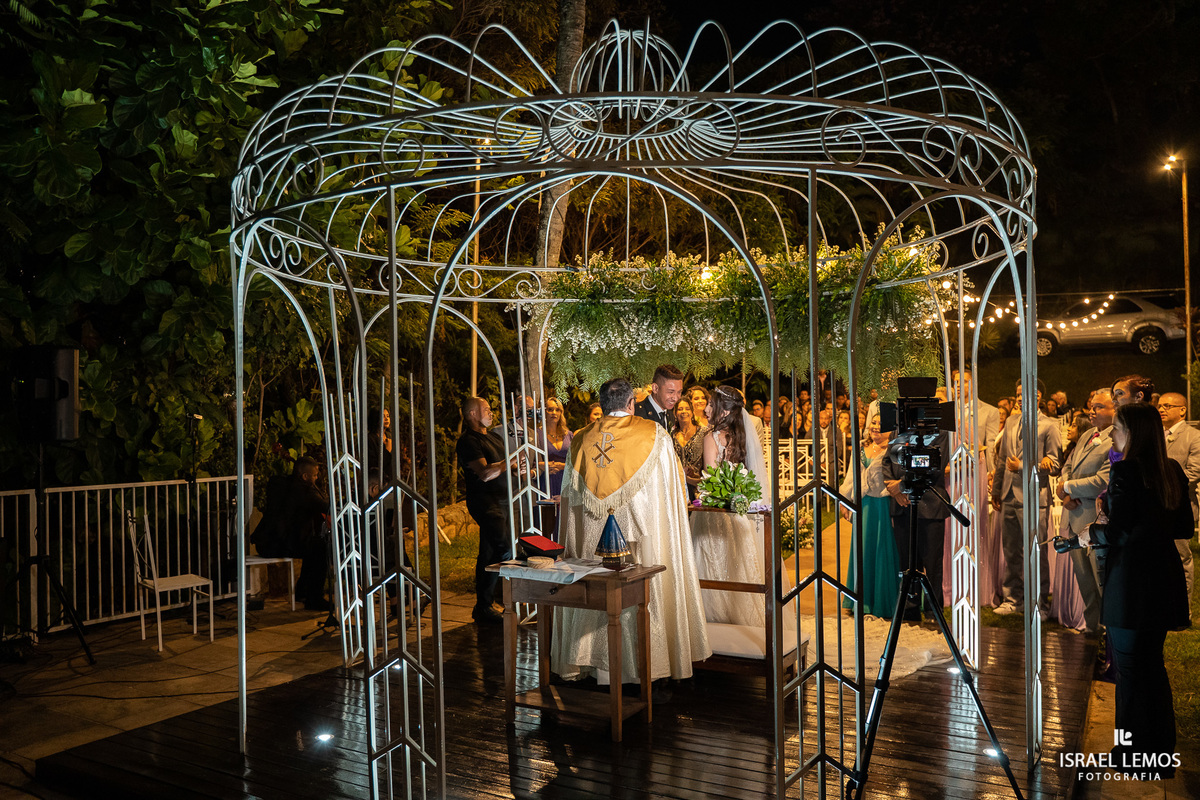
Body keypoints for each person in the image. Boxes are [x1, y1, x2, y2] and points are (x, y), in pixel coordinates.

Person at [553, 378, 711, 684]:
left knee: (596, 584)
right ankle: (648, 665)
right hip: (642, 537)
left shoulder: (582, 439)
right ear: (630, 404)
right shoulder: (654, 435)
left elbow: (571, 503)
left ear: (603, 404)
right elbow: (671, 492)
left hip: (592, 546)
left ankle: (590, 662)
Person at [1085, 402, 1192, 773]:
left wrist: (1092, 531)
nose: (1113, 435)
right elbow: (1184, 528)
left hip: (1131, 582)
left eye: (1117, 428)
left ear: (1133, 433)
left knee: (1130, 674)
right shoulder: (1171, 470)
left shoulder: (1126, 469)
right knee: (1152, 669)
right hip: (1163, 577)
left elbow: (1117, 533)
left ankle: (1129, 755)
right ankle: (1160, 754)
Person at [687, 385, 773, 627]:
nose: (705, 408)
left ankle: (711, 622)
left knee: (711, 566)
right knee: (740, 566)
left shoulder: (711, 438)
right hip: (739, 515)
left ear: (723, 411)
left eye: (711, 404)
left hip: (714, 514)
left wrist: (690, 478)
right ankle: (744, 620)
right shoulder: (742, 437)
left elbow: (711, 479)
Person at [990, 381, 1061, 618]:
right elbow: (1002, 460)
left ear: (1038, 396)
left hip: (1035, 497)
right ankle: (1013, 599)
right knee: (1010, 551)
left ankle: (1039, 602)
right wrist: (996, 491)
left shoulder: (1050, 425)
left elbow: (1054, 464)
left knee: (1035, 551)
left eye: (1025, 394)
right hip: (1009, 494)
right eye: (1018, 394)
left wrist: (1023, 466)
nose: (1020, 398)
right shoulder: (1011, 421)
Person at [1054, 391, 1112, 634]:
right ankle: (1092, 628)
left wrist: (1068, 488)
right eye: (1091, 406)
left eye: (1099, 407)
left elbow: (1103, 480)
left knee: (1102, 582)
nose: (1092, 410)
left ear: (1114, 409)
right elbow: (1068, 466)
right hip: (1074, 515)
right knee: (1085, 580)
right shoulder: (1087, 434)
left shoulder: (1116, 439)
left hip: (1095, 519)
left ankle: (1109, 632)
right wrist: (1065, 495)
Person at [882, 427, 952, 620]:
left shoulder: (940, 432)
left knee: (932, 562)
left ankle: (933, 609)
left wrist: (903, 485)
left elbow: (932, 465)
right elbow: (887, 461)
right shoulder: (897, 429)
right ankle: (909, 608)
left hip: (929, 504)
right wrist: (894, 489)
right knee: (906, 561)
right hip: (901, 506)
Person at [455, 397, 514, 624]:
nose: (491, 413)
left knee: (488, 552)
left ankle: (483, 605)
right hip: (486, 503)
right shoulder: (469, 441)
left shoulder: (494, 437)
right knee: (505, 550)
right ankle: (506, 600)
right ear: (472, 414)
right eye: (486, 409)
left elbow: (503, 466)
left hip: (503, 500)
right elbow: (486, 473)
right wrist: (509, 462)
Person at [253, 456, 332, 611]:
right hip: (279, 543)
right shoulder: (303, 491)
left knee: (314, 547)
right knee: (321, 549)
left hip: (268, 541)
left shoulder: (284, 485)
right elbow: (326, 506)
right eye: (315, 475)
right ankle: (314, 598)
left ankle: (303, 591)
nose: (317, 477)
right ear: (305, 476)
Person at [840, 417, 901, 617]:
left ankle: (883, 602)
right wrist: (845, 499)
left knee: (882, 550)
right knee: (862, 550)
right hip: (864, 505)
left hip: (884, 505)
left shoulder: (894, 449)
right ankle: (861, 601)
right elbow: (852, 474)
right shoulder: (860, 447)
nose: (875, 427)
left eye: (880, 424)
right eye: (873, 423)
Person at [1159, 391, 1199, 611]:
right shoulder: (1156, 434)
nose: (1161, 409)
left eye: (1167, 406)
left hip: (1179, 507)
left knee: (1181, 558)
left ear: (1182, 410)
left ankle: (1183, 610)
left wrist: (1164, 484)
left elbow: (1194, 471)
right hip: (1155, 507)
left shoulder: (1194, 436)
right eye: (1159, 406)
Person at [672, 398, 707, 497]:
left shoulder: (703, 432)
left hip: (698, 488)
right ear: (675, 413)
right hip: (677, 488)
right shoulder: (671, 434)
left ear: (692, 412)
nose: (684, 412)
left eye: (687, 409)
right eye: (680, 409)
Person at [635, 364, 683, 433]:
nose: (675, 398)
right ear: (655, 388)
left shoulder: (670, 415)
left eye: (679, 392)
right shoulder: (637, 415)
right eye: (670, 392)